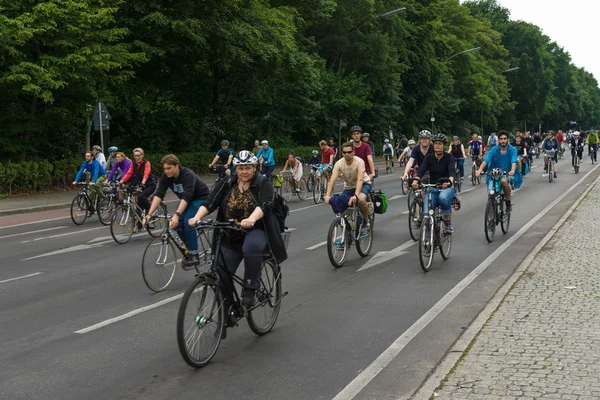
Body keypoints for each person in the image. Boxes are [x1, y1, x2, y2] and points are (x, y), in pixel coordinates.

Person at [188, 150, 287, 307]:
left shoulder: (263, 183)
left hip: (257, 229)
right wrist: (197, 217)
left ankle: (250, 288)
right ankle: (227, 309)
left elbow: (265, 204)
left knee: (251, 247)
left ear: (255, 168)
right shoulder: (227, 183)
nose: (244, 171)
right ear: (236, 168)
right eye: (240, 168)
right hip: (230, 231)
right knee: (221, 271)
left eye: (248, 167)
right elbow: (210, 202)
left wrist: (251, 219)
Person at [143, 154, 210, 267]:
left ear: (176, 166)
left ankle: (194, 254)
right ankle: (189, 248)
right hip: (187, 201)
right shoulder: (166, 177)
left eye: (169, 168)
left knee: (188, 221)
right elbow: (159, 194)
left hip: (201, 199)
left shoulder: (187, 174)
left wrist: (177, 214)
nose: (166, 171)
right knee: (176, 224)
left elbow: (187, 196)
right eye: (164, 168)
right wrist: (149, 214)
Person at [325, 142, 372, 234]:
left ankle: (366, 221)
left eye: (349, 152)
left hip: (364, 184)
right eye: (344, 152)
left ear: (353, 152)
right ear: (342, 153)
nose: (347, 154)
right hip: (349, 186)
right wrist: (327, 195)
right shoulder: (339, 163)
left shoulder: (359, 162)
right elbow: (333, 180)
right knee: (342, 208)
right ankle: (348, 230)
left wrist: (356, 195)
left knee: (361, 200)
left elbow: (360, 179)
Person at [411, 134, 456, 233]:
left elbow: (452, 172)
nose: (437, 146)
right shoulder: (429, 157)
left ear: (444, 145)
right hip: (432, 187)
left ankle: (448, 224)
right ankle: (427, 238)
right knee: (426, 212)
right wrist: (416, 180)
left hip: (446, 187)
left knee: (443, 198)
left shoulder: (449, 157)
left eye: (440, 144)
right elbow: (421, 170)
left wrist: (449, 182)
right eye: (436, 143)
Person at [476, 130, 522, 212]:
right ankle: (491, 216)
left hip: (507, 173)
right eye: (501, 139)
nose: (503, 141)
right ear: (498, 140)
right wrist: (479, 170)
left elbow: (513, 162)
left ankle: (508, 201)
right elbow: (486, 161)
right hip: (493, 172)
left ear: (508, 139)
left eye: (504, 139)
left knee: (504, 181)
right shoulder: (494, 149)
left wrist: (512, 171)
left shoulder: (513, 150)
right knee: (491, 194)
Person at [120, 148, 156, 217]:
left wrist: (143, 183)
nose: (137, 157)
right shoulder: (134, 164)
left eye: (138, 155)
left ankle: (150, 211)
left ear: (142, 155)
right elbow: (128, 173)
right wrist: (121, 181)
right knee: (139, 203)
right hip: (141, 185)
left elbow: (146, 174)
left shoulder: (146, 163)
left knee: (141, 197)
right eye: (135, 156)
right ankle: (139, 223)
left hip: (150, 184)